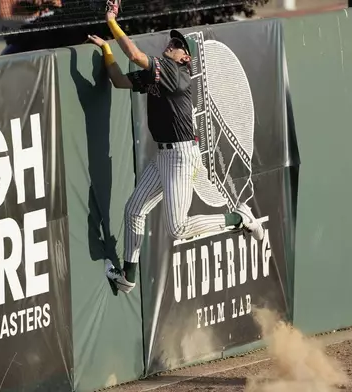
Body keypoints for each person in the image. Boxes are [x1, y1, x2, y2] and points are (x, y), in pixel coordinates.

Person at [87, 7, 264, 294]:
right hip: (166, 155)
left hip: (182, 156)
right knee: (134, 210)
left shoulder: (174, 71)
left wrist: (111, 24)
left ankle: (239, 218)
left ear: (186, 58)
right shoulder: (160, 74)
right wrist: (107, 49)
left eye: (179, 44)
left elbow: (133, 55)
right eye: (173, 41)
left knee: (177, 228)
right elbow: (119, 81)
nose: (172, 44)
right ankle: (128, 277)